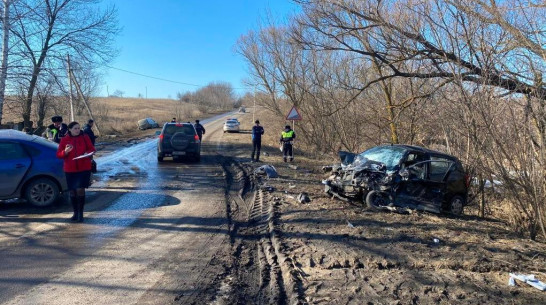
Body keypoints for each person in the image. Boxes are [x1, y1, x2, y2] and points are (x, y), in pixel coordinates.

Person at [56, 121, 96, 222]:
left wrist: (88, 153)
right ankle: (75, 213)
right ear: (70, 129)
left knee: (80, 190)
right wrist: (65, 152)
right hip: (70, 169)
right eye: (75, 128)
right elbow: (59, 155)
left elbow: (92, 149)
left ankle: (81, 214)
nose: (77, 130)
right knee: (73, 192)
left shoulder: (85, 137)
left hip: (83, 168)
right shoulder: (65, 139)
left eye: (78, 128)